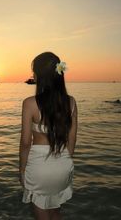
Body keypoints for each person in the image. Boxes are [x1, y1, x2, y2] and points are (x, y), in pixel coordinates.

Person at [19, 52, 78, 220]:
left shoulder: (29, 103)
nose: (33, 75)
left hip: (39, 167)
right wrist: (66, 160)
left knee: (42, 213)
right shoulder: (71, 102)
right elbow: (72, 139)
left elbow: (25, 143)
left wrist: (22, 170)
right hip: (63, 163)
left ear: (40, 75)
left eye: (34, 71)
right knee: (55, 210)